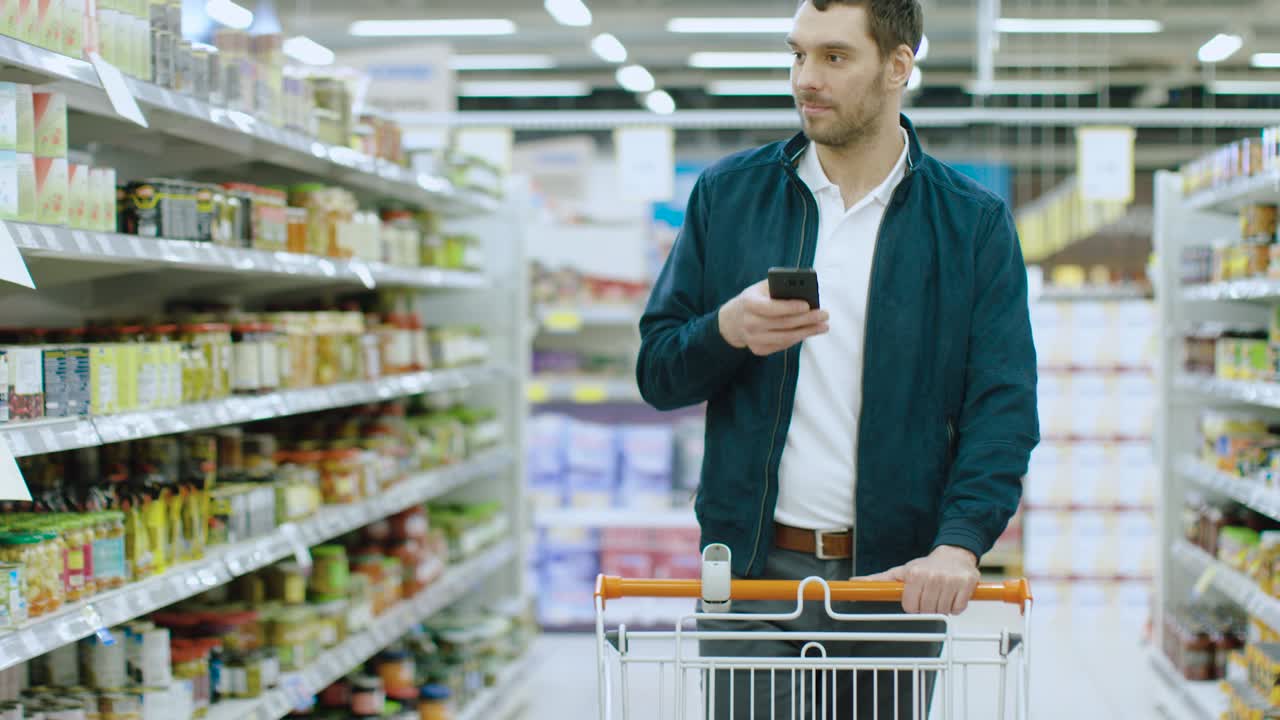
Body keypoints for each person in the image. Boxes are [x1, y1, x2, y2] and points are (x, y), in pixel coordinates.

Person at [635, 0, 1039, 716]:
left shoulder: (971, 224)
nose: (804, 79)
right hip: (752, 576)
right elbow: (658, 373)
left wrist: (960, 544)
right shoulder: (729, 198)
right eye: (797, 54)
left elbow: (1001, 408)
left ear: (898, 66)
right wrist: (725, 330)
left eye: (833, 56)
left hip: (894, 578)